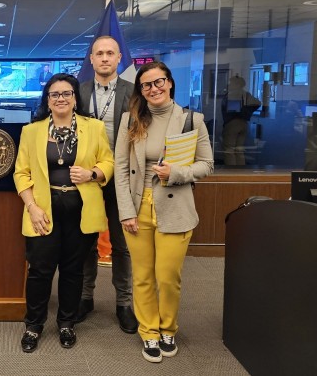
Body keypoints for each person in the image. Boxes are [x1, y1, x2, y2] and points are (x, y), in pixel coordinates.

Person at [114, 62, 214, 363]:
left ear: (170, 83)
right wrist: (125, 211)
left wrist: (176, 172)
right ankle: (149, 332)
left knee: (168, 276)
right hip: (137, 205)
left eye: (159, 82)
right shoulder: (130, 120)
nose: (153, 89)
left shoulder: (191, 119)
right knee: (142, 275)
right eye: (146, 85)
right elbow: (120, 167)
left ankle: (168, 327)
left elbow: (206, 165)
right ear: (140, 91)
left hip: (175, 207)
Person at [13, 73, 114, 353]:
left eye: (66, 94)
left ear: (74, 98)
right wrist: (32, 207)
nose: (60, 99)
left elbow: (108, 160)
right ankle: (33, 326)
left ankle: (67, 323)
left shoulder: (93, 127)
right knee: (40, 271)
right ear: (47, 99)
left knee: (73, 270)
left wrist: (93, 172)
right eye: (55, 94)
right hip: (42, 210)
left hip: (81, 209)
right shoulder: (31, 131)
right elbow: (21, 172)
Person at [76, 35, 138, 334]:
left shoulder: (134, 91)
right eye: (98, 53)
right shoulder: (79, 90)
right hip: (88, 177)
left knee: (121, 243)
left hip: (122, 178)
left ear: (118, 58)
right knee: (86, 240)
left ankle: (124, 303)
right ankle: (85, 297)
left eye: (110, 53)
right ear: (91, 59)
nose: (104, 58)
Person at [221, 76, 260, 165]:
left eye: (231, 83)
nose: (229, 85)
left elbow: (234, 110)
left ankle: (231, 173)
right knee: (239, 150)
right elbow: (258, 103)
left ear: (237, 84)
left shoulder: (232, 94)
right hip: (244, 123)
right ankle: (240, 172)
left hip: (232, 123)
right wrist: (247, 112)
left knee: (229, 150)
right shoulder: (246, 94)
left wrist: (240, 112)